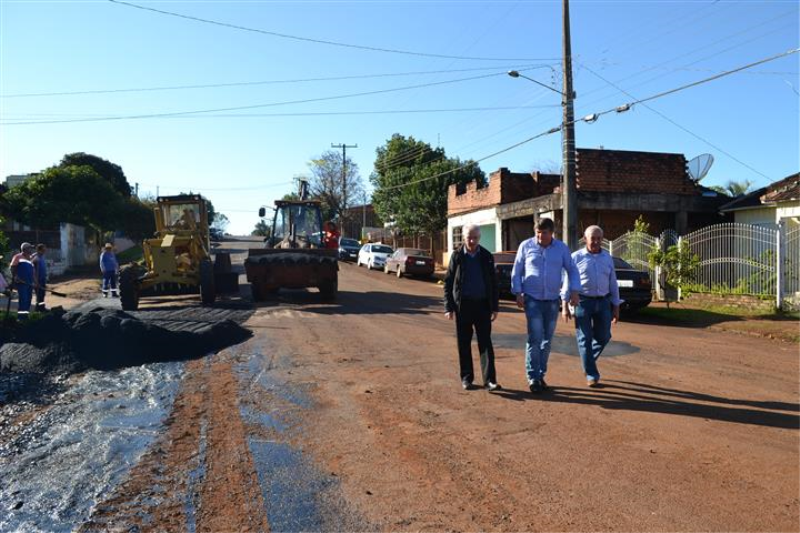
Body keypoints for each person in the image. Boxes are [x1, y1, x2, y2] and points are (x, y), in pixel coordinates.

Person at [511, 218, 581, 393]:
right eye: (538, 233)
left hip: (552, 300)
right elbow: (517, 270)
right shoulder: (526, 246)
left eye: (544, 233)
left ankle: (540, 374)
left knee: (547, 341)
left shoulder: (561, 248)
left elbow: (572, 270)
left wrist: (574, 290)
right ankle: (533, 377)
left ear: (552, 233)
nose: (540, 237)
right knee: (535, 338)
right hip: (532, 299)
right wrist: (518, 292)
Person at [443, 224, 501, 391]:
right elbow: (448, 282)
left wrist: (495, 307)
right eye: (469, 237)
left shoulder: (486, 256)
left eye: (475, 238)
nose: (472, 241)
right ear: (464, 237)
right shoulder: (457, 256)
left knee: (485, 343)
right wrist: (448, 307)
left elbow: (493, 283)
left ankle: (489, 380)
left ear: (479, 238)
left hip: (483, 305)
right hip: (463, 306)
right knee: (464, 343)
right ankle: (467, 378)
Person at [562, 225, 621, 387]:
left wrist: (616, 306)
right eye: (592, 238)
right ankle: (591, 374)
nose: (595, 241)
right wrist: (565, 306)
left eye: (598, 238)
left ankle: (587, 361)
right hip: (582, 302)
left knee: (604, 337)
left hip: (603, 302)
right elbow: (567, 282)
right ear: (585, 239)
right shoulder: (576, 257)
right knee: (584, 338)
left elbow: (613, 283)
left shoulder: (607, 258)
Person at [14, 244, 35, 320]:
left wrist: (34, 281)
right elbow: (12, 267)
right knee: (23, 299)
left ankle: (25, 316)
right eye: (30, 248)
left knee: (28, 299)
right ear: (25, 249)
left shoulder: (30, 258)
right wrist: (16, 276)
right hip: (22, 283)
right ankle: (20, 318)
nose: (31, 250)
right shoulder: (18, 257)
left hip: (29, 283)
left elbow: (32, 271)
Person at [31, 243, 48, 311]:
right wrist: (36, 282)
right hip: (38, 280)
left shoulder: (42, 256)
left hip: (42, 279)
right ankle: (38, 309)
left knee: (42, 294)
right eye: (43, 250)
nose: (44, 251)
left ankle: (41, 308)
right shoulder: (35, 258)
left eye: (45, 250)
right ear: (39, 250)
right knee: (39, 295)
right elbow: (33, 271)